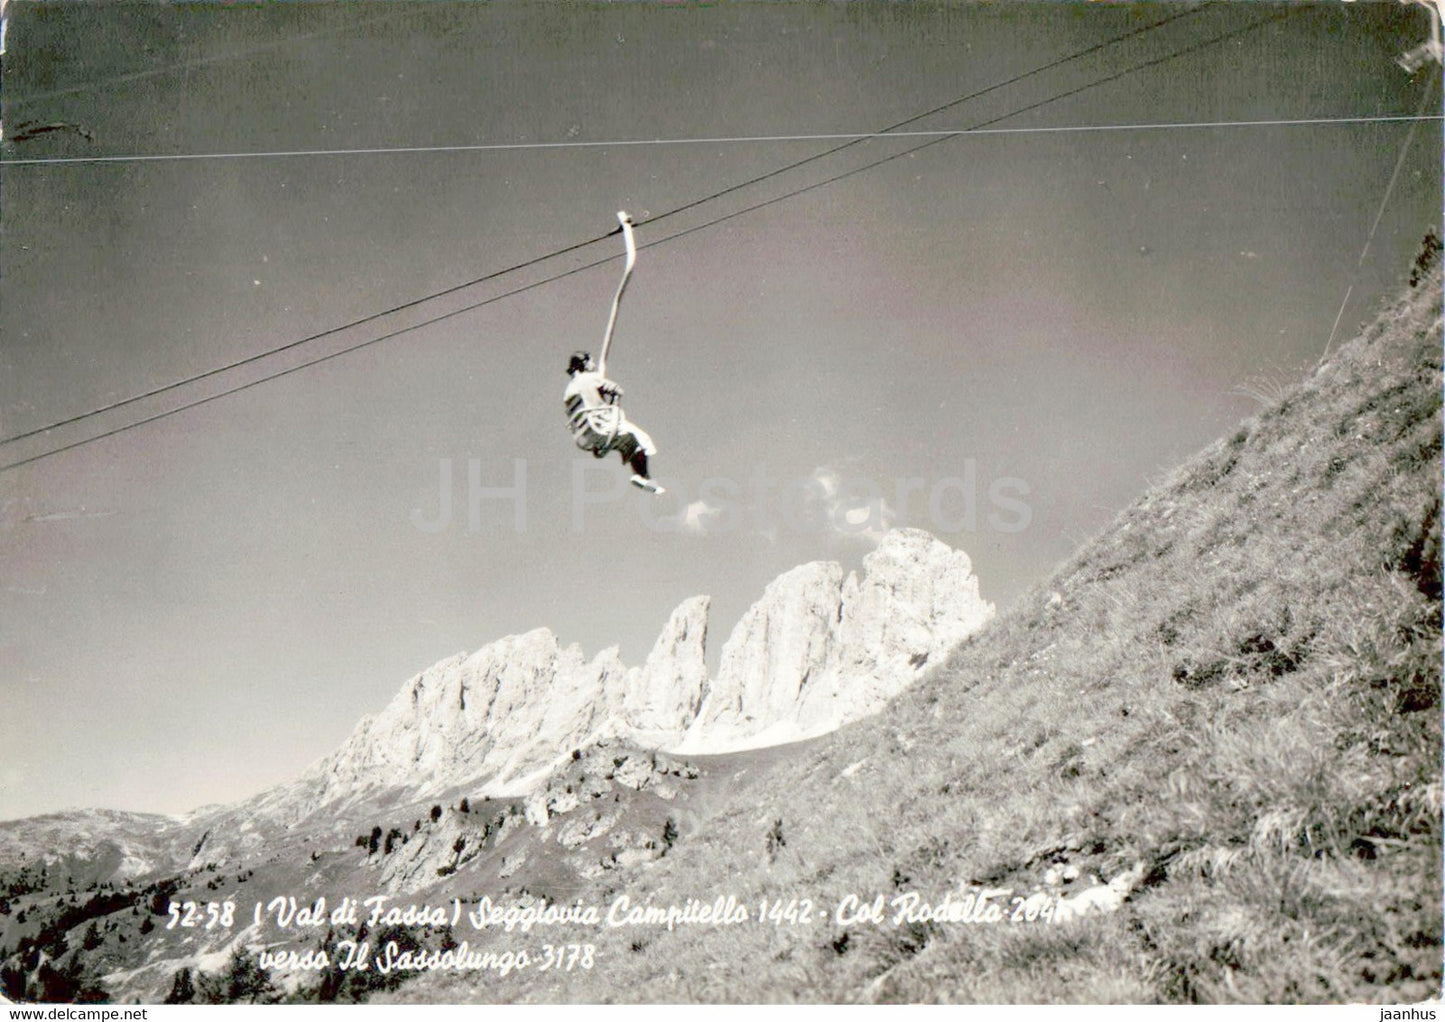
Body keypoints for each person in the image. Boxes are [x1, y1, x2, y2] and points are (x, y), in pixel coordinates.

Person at [563, 351, 664, 493]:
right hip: (602, 424)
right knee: (642, 438)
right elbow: (617, 390)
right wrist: (607, 393)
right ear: (584, 363)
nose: (594, 364)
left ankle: (642, 477)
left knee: (629, 442)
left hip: (588, 434)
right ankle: (642, 475)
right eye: (591, 361)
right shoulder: (591, 378)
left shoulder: (568, 390)